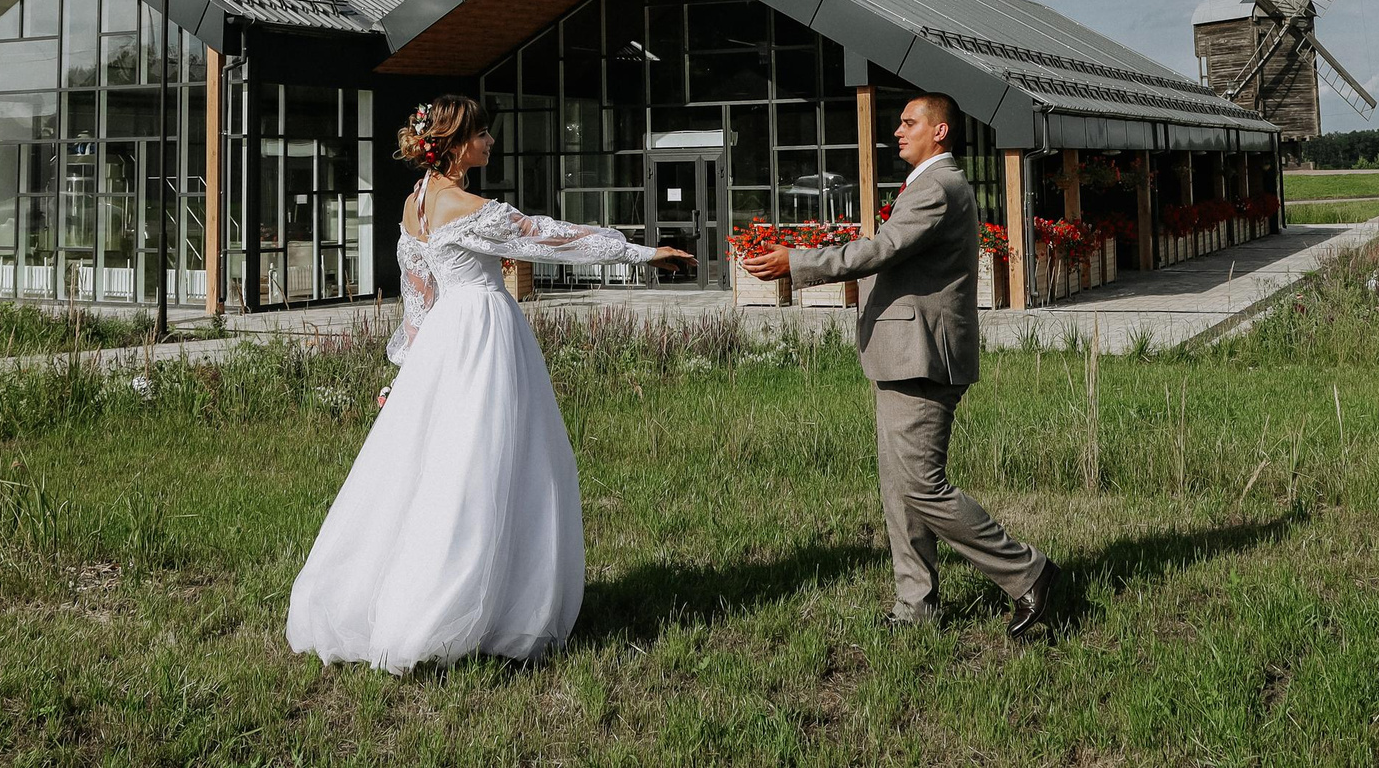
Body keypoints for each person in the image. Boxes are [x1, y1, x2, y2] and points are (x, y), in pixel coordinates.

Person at [285, 94, 694, 672]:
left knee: (436, 466)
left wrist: (408, 370)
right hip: (482, 337)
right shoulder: (468, 207)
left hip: (442, 342)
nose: (490, 142)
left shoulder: (416, 203)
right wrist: (641, 253)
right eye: (481, 134)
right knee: (489, 463)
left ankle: (453, 594)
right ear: (455, 145)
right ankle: (467, 609)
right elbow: (549, 237)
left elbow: (419, 294)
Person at [740, 92, 1057, 635]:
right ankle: (917, 606)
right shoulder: (927, 185)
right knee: (899, 488)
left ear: (940, 131)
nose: (897, 131)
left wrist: (798, 261)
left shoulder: (937, 186)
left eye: (910, 122)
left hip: (922, 358)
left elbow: (881, 249)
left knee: (920, 487)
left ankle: (1029, 573)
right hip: (904, 355)